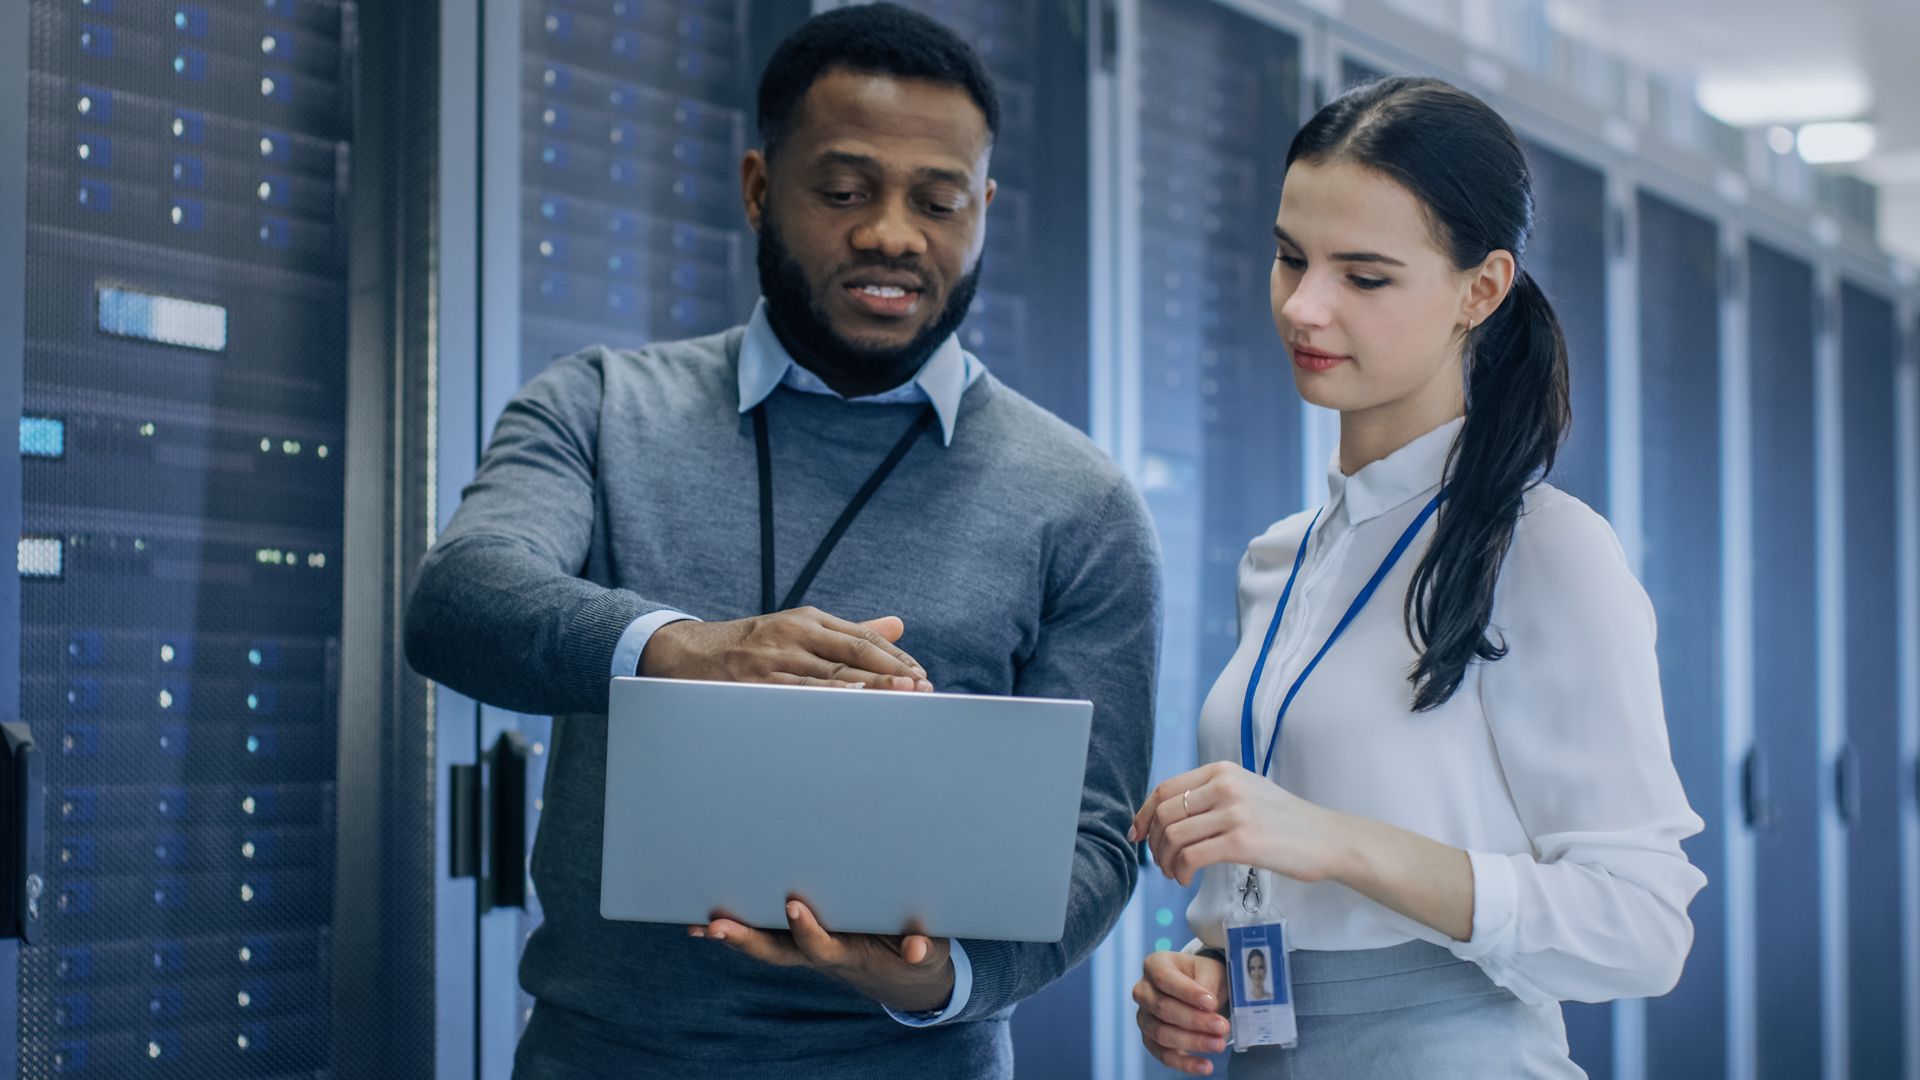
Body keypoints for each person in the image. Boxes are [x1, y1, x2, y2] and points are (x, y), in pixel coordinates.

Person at [403, 6, 1161, 1078]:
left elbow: (1095, 840)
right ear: (759, 188)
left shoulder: (1081, 502)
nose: (893, 233)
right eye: (845, 191)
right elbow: (460, 602)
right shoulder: (599, 405)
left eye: (938, 201)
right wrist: (679, 649)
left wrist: (939, 979)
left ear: (984, 211)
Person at [1127, 76, 1706, 1078]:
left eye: (1366, 276)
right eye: (1290, 258)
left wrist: (1339, 842)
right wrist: (1207, 971)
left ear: (1480, 289)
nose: (1304, 305)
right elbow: (1294, 883)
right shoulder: (1281, 557)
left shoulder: (1545, 550)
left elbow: (1643, 929)